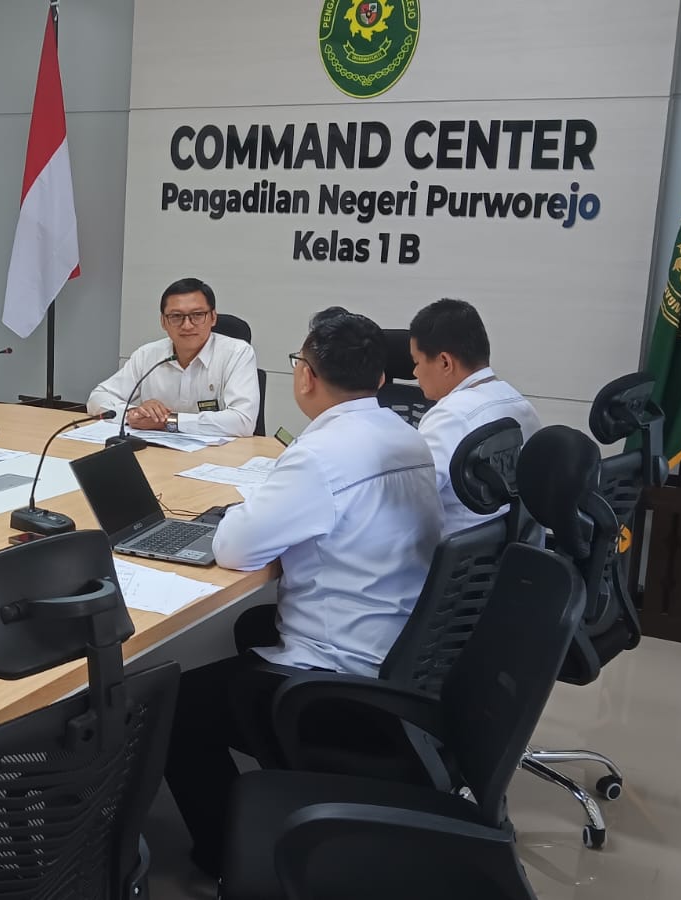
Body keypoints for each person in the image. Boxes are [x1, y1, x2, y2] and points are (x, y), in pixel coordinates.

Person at [163, 307, 443, 875]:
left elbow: (234, 549)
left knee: (173, 703)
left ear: (307, 376)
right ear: (380, 378)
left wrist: (245, 511)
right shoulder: (406, 434)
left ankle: (224, 856)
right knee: (250, 627)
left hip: (339, 683)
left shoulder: (319, 455)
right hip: (401, 655)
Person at [409, 298, 542, 535]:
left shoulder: (449, 416)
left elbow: (407, 500)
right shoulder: (521, 405)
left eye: (417, 362)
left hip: (453, 554)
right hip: (512, 550)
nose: (414, 372)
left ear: (445, 362)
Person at [85, 277, 258, 437]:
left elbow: (243, 421)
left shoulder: (237, 353)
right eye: (176, 317)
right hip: (157, 450)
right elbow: (97, 398)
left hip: (217, 454)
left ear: (213, 318)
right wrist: (133, 413)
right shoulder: (147, 355)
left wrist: (167, 421)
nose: (187, 325)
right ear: (163, 321)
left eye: (197, 315)